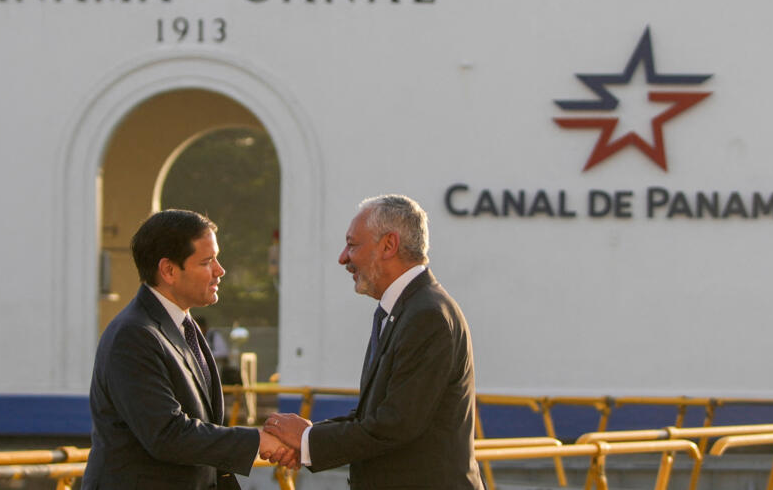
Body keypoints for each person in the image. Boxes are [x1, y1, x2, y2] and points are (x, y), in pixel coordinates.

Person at [264, 195, 483, 489]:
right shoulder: (401, 310)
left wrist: (306, 440)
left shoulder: (427, 315)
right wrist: (308, 438)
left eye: (352, 245)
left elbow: (396, 424)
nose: (343, 257)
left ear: (389, 245)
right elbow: (375, 416)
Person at [82, 209, 294, 490]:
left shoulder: (184, 325)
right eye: (207, 262)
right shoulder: (134, 335)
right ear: (169, 270)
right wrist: (257, 441)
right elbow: (166, 434)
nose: (220, 271)